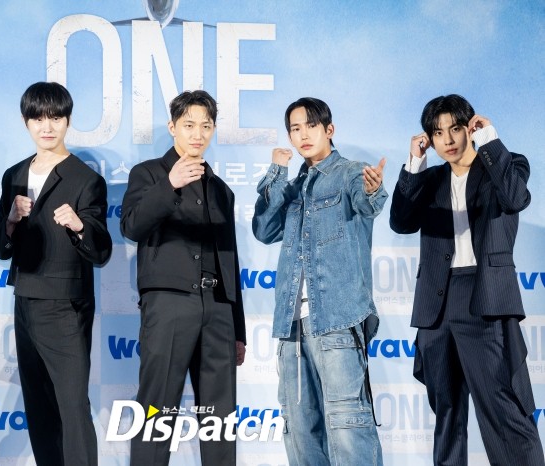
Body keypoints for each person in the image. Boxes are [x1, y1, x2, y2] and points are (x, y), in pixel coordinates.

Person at [389, 94, 545, 465]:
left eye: (455, 128)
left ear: (469, 128)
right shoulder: (428, 180)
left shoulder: (505, 165)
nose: (448, 139)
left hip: (484, 298)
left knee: (502, 407)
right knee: (447, 413)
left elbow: (515, 198)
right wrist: (414, 163)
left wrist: (489, 139)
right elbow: (401, 222)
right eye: (438, 132)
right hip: (436, 304)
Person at [252, 97, 386, 466]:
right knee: (300, 432)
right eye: (295, 129)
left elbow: (368, 203)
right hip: (291, 327)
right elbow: (264, 229)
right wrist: (277, 173)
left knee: (348, 427)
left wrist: (373, 190)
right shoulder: (293, 186)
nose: (303, 135)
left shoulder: (350, 173)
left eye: (311, 126)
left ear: (329, 129)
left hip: (336, 322)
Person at [121, 90, 246, 465]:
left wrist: (237, 328)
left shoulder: (221, 189)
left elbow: (230, 259)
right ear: (172, 127)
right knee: (157, 410)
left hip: (218, 310)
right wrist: (169, 185)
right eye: (189, 125)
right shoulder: (148, 173)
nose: (198, 134)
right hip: (169, 304)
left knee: (219, 419)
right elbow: (132, 226)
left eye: (206, 126)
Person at [0, 82, 112, 466]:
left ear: (68, 121)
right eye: (38, 119)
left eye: (56, 118)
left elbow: (102, 251)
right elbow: (0, 248)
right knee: (38, 404)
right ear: (26, 122)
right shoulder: (13, 174)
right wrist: (10, 222)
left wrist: (79, 225)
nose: (47, 127)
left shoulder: (85, 179)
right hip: (25, 299)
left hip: (65, 305)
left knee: (72, 406)